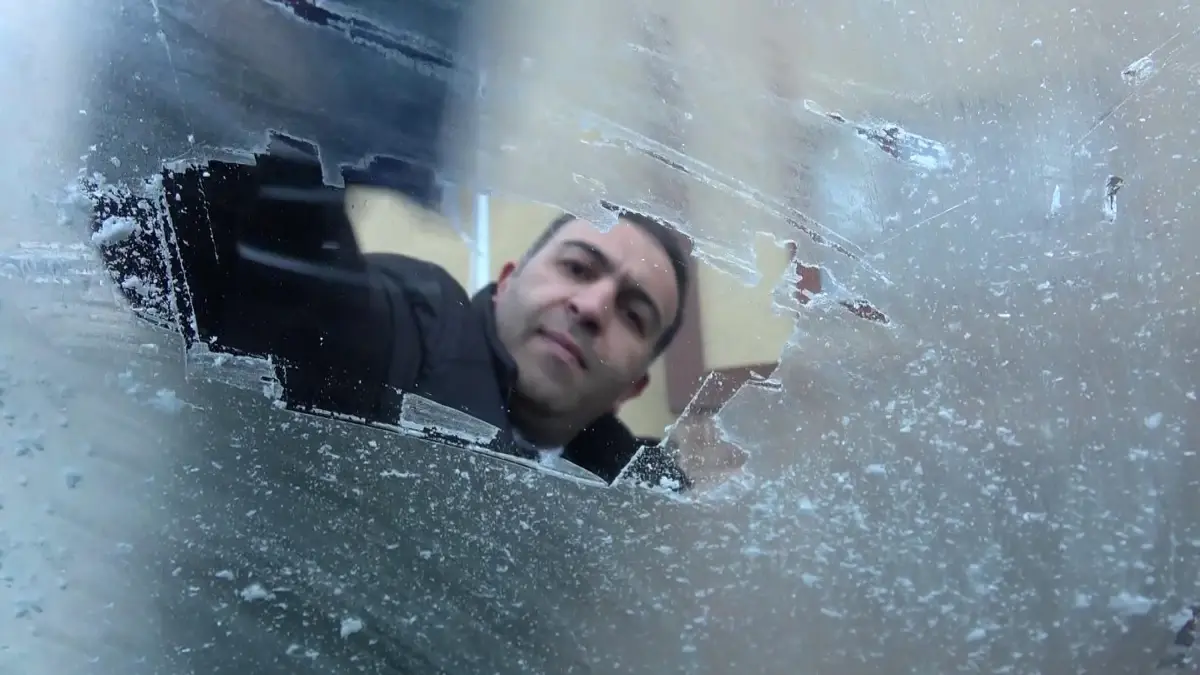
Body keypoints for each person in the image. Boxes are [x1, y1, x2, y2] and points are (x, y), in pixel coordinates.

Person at [91, 133, 693, 491]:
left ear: (633, 386)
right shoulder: (422, 323)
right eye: (578, 268)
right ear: (507, 282)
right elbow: (337, 314)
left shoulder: (635, 501)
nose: (591, 306)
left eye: (634, 314)